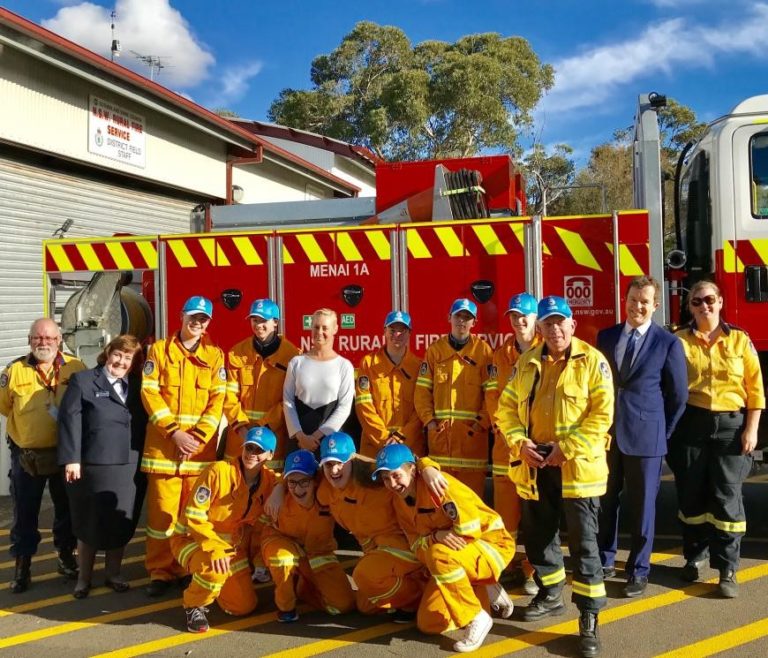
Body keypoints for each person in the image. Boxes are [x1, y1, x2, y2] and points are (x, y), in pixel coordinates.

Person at [495, 296, 614, 658]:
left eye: (561, 322)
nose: (555, 329)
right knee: (538, 534)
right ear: (540, 329)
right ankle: (550, 593)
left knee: (585, 546)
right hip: (535, 465)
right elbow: (505, 410)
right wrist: (519, 444)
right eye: (548, 324)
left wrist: (568, 446)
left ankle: (589, 619)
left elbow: (602, 414)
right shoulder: (526, 362)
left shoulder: (593, 362)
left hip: (576, 468)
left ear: (573, 325)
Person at [668, 280, 764, 598]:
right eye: (697, 301)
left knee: (727, 497)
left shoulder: (739, 340)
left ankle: (728, 569)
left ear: (721, 302)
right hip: (691, 426)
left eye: (710, 299)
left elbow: (755, 390)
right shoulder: (678, 341)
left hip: (730, 428)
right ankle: (695, 557)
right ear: (689, 306)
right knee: (691, 496)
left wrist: (751, 430)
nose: (704, 306)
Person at [373, 443, 515, 654]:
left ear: (412, 469)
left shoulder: (439, 486)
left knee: (439, 555)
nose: (392, 484)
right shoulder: (400, 502)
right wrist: (435, 536)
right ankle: (484, 585)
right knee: (428, 623)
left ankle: (476, 616)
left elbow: (469, 530)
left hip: (490, 545)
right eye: (385, 479)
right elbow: (416, 544)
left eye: (395, 475)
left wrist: (434, 542)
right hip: (454, 556)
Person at [596, 276, 688, 598]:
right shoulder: (606, 337)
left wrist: (662, 433)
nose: (637, 306)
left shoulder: (668, 343)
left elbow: (678, 395)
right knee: (605, 501)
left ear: (655, 306)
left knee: (643, 507)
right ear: (626, 299)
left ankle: (638, 569)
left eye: (644, 302)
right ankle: (604, 559)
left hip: (647, 437)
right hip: (608, 435)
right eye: (633, 299)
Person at [140, 295, 226, 597]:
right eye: (193, 316)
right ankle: (161, 572)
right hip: (165, 451)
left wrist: (199, 437)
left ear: (208, 324)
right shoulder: (160, 351)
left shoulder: (215, 357)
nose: (198, 322)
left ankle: (189, 567)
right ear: (181, 315)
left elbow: (218, 402)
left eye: (203, 319)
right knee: (162, 516)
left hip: (198, 453)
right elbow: (149, 393)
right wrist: (175, 433)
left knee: (194, 516)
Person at [57, 334, 149, 599]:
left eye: (127, 358)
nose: (120, 362)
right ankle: (84, 579)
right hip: (93, 465)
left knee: (120, 521)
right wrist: (71, 458)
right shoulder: (83, 381)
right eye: (117, 355)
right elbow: (69, 421)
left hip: (129, 465)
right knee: (90, 522)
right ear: (108, 353)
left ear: (134, 362)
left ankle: (113, 574)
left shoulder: (139, 384)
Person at [0, 317, 85, 593]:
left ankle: (65, 556)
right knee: (25, 513)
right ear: (29, 340)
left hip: (65, 455)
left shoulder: (75, 367)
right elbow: (5, 407)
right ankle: (22, 568)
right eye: (38, 337)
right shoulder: (13, 371)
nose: (43, 342)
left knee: (66, 511)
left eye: (49, 338)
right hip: (28, 455)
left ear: (59, 340)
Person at [171, 426, 280, 633]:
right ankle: (194, 605)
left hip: (230, 548)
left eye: (259, 450)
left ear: (270, 455)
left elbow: (287, 480)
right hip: (191, 540)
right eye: (249, 448)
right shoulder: (218, 471)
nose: (252, 454)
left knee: (242, 606)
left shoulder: (268, 481)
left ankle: (212, 586)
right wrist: (213, 547)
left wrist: (280, 490)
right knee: (213, 569)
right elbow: (194, 515)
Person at [316, 432, 427, 620]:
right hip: (377, 552)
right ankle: (404, 592)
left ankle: (419, 595)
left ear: (352, 458)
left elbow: (410, 468)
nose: (334, 470)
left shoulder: (376, 477)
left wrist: (428, 467)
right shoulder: (326, 488)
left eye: (339, 462)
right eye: (328, 464)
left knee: (365, 575)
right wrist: (279, 488)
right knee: (365, 606)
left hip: (405, 547)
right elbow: (297, 475)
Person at [486, 292, 541, 592]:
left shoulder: (545, 351)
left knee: (533, 512)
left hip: (533, 447)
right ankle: (507, 566)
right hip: (505, 448)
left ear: (535, 319)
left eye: (525, 316)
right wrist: (504, 429)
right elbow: (492, 397)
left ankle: (533, 570)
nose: (519, 321)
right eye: (514, 316)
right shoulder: (500, 355)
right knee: (505, 515)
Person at [261, 449, 355, 622]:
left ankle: (302, 587)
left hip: (318, 551)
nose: (297, 489)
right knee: (282, 559)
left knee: (342, 606)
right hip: (282, 541)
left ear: (316, 480)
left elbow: (354, 471)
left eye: (304, 482)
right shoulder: (279, 499)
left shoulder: (327, 493)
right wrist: (280, 487)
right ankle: (286, 607)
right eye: (292, 482)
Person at [414, 298, 494, 496]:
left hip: (472, 447)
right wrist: (430, 422)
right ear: (449, 317)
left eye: (467, 318)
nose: (462, 321)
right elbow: (422, 392)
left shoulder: (483, 351)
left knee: (472, 504)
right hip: (441, 444)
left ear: (474, 323)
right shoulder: (435, 351)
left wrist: (481, 423)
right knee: (442, 504)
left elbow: (492, 394)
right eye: (458, 316)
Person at [223, 298, 300, 469]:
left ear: (275, 322)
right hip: (239, 438)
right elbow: (228, 396)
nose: (258, 325)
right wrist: (242, 429)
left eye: (263, 320)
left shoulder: (292, 356)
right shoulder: (237, 352)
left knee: (270, 486)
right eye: (254, 320)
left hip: (272, 437)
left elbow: (289, 400)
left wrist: (263, 426)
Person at [283, 308, 354, 455]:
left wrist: (316, 437)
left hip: (331, 442)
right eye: (316, 327)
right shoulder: (297, 362)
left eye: (325, 328)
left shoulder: (344, 365)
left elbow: (344, 407)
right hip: (300, 442)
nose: (319, 332)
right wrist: (300, 436)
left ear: (335, 329)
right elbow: (288, 401)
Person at [355, 310, 423, 458]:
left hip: (409, 447)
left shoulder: (418, 366)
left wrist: (401, 438)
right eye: (392, 330)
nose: (397, 335)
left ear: (409, 333)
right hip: (375, 447)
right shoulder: (369, 363)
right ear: (384, 332)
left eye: (402, 330)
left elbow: (421, 408)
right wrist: (384, 438)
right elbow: (364, 406)